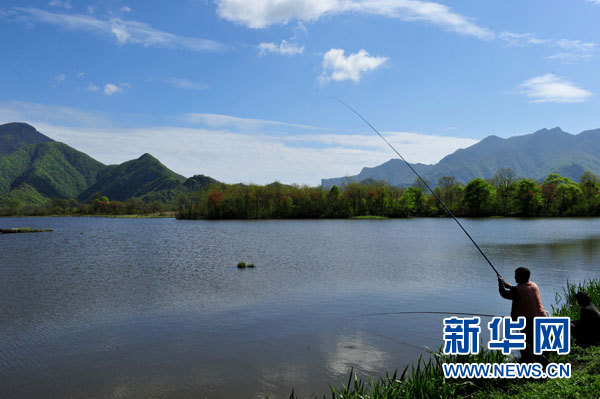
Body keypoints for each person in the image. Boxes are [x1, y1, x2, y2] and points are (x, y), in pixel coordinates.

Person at [498, 267, 547, 364]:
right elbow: (522, 291)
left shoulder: (517, 290)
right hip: (541, 318)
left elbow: (504, 294)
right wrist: (511, 287)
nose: (514, 277)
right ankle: (540, 360)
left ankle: (528, 363)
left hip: (528, 320)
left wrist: (500, 283)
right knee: (536, 342)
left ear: (520, 277)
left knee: (526, 343)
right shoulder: (533, 285)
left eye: (516, 275)